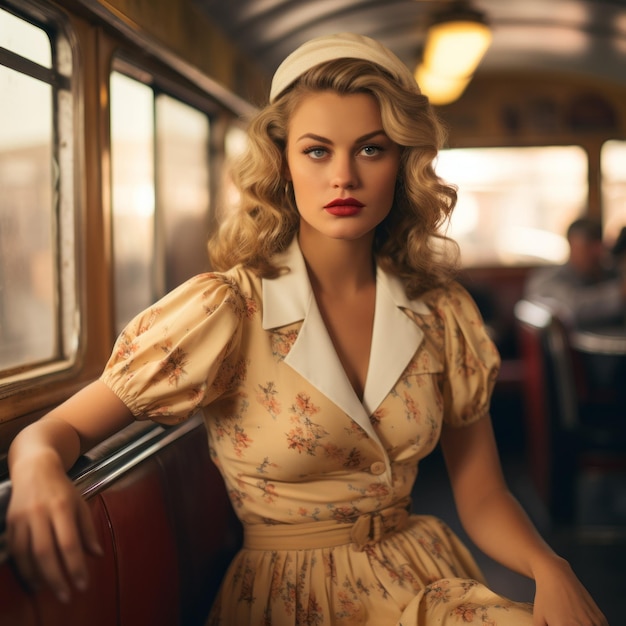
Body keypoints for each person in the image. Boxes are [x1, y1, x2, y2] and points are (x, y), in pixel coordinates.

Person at [6, 33, 607, 626]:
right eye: (317, 151)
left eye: (371, 149)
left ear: (402, 164)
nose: (343, 176)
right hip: (288, 598)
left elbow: (482, 497)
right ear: (284, 164)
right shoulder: (227, 310)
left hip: (423, 580)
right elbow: (57, 430)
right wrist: (35, 468)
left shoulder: (442, 311)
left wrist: (552, 568)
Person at [525, 217, 626, 329]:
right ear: (572, 244)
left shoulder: (611, 272)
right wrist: (620, 293)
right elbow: (572, 310)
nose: (597, 251)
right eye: (589, 245)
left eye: (599, 244)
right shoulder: (547, 280)